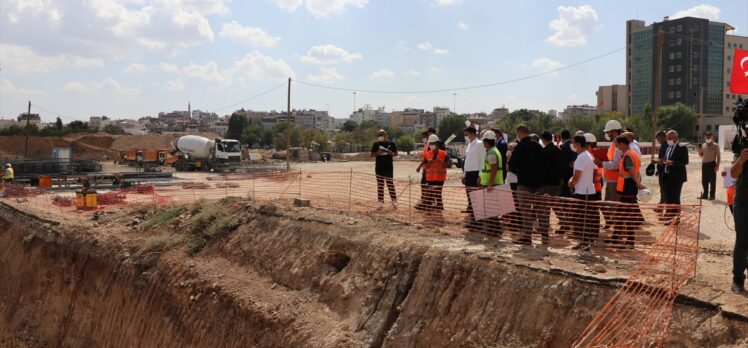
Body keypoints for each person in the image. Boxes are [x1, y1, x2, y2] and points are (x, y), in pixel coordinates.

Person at [507, 124, 546, 245]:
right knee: (541, 210)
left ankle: (527, 236)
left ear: (519, 133)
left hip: (524, 183)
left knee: (525, 210)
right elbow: (545, 163)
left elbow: (512, 165)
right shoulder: (538, 146)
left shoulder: (520, 147)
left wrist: (518, 172)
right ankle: (545, 235)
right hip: (539, 183)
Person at [610, 135, 645, 249]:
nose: (616, 146)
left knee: (624, 215)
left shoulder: (627, 155)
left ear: (622, 144)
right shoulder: (630, 153)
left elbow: (631, 171)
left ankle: (626, 240)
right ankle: (618, 238)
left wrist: (638, 184)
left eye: (617, 144)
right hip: (627, 188)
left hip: (627, 188)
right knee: (623, 214)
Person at [568, 135, 600, 251]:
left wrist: (570, 183)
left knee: (580, 219)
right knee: (585, 219)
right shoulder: (588, 155)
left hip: (582, 192)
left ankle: (585, 243)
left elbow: (576, 176)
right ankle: (585, 242)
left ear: (577, 144)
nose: (573, 146)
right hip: (588, 190)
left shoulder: (581, 157)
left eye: (573, 143)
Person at [478, 130, 505, 236]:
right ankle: (492, 229)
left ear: (487, 141)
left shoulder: (491, 153)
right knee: (490, 208)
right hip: (492, 182)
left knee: (491, 209)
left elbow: (493, 169)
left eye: (484, 141)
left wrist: (489, 184)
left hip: (492, 184)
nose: (483, 143)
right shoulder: (493, 150)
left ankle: (495, 230)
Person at [599, 120, 624, 229]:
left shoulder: (618, 145)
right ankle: (612, 225)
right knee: (609, 205)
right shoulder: (614, 143)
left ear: (614, 131)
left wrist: (601, 163)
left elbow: (616, 164)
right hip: (611, 179)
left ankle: (618, 231)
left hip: (615, 180)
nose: (607, 134)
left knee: (614, 207)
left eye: (608, 132)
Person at [730, 147, 748, 293]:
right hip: (743, 203)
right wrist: (741, 160)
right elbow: (733, 173)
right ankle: (738, 278)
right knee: (742, 241)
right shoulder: (743, 152)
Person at [661, 130, 689, 221]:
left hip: (677, 177)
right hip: (666, 176)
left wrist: (673, 163)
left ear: (675, 138)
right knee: (668, 197)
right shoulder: (668, 148)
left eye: (669, 138)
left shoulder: (682, 147)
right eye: (667, 139)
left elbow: (685, 162)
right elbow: (666, 160)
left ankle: (676, 218)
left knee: (675, 198)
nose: (668, 140)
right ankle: (669, 216)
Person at [540, 131, 563, 239]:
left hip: (547, 183)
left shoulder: (544, 151)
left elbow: (543, 168)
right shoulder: (558, 150)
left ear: (544, 139)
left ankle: (544, 230)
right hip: (557, 181)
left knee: (545, 207)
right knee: (556, 204)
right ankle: (565, 222)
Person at [462, 126, 485, 227]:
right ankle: (474, 221)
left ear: (472, 133)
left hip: (476, 174)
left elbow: (482, 161)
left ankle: (478, 223)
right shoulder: (470, 144)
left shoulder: (480, 144)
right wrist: (464, 175)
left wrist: (479, 176)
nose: (466, 136)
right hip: (468, 175)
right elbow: (467, 161)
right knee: (470, 199)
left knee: (477, 199)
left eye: (467, 134)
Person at [370, 129, 398, 209]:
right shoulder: (376, 144)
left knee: (390, 184)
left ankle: (394, 200)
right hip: (379, 168)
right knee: (380, 185)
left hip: (389, 168)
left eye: (382, 135)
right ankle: (381, 202)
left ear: (386, 135)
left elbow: (396, 153)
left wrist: (391, 153)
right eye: (379, 135)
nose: (380, 137)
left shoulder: (391, 144)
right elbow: (371, 154)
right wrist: (378, 153)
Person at [419, 134, 448, 212]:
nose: (431, 145)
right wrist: (429, 163)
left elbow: (446, 165)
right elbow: (426, 166)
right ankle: (428, 207)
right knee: (430, 193)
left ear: (437, 143)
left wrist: (440, 161)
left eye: (433, 143)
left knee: (437, 193)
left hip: (440, 178)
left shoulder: (443, 153)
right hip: (430, 177)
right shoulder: (428, 154)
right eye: (430, 143)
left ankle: (438, 206)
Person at [557, 130, 577, 235]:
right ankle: (570, 222)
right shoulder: (574, 146)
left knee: (564, 201)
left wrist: (561, 177)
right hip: (574, 177)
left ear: (561, 137)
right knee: (571, 200)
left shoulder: (564, 147)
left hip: (565, 178)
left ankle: (566, 223)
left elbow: (562, 164)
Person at [415, 128, 437, 209]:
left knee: (427, 185)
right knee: (425, 185)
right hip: (426, 168)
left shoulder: (431, 145)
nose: (425, 137)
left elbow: (427, 158)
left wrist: (419, 166)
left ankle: (428, 201)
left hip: (429, 169)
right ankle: (426, 200)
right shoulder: (427, 145)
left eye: (426, 135)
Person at [698, 131, 721, 200]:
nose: (708, 138)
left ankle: (712, 195)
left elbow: (718, 156)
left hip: (712, 164)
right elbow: (701, 155)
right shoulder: (703, 145)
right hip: (704, 164)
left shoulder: (716, 145)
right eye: (706, 137)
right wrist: (699, 151)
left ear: (712, 137)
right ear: (705, 137)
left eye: (709, 137)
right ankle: (705, 195)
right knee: (704, 181)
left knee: (712, 181)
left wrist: (717, 166)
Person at [654, 131, 668, 205]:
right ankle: (663, 203)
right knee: (663, 188)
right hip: (662, 169)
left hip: (663, 170)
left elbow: (663, 159)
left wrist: (655, 161)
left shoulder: (664, 145)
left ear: (662, 136)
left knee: (663, 188)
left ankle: (662, 204)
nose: (657, 140)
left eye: (658, 138)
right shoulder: (665, 145)